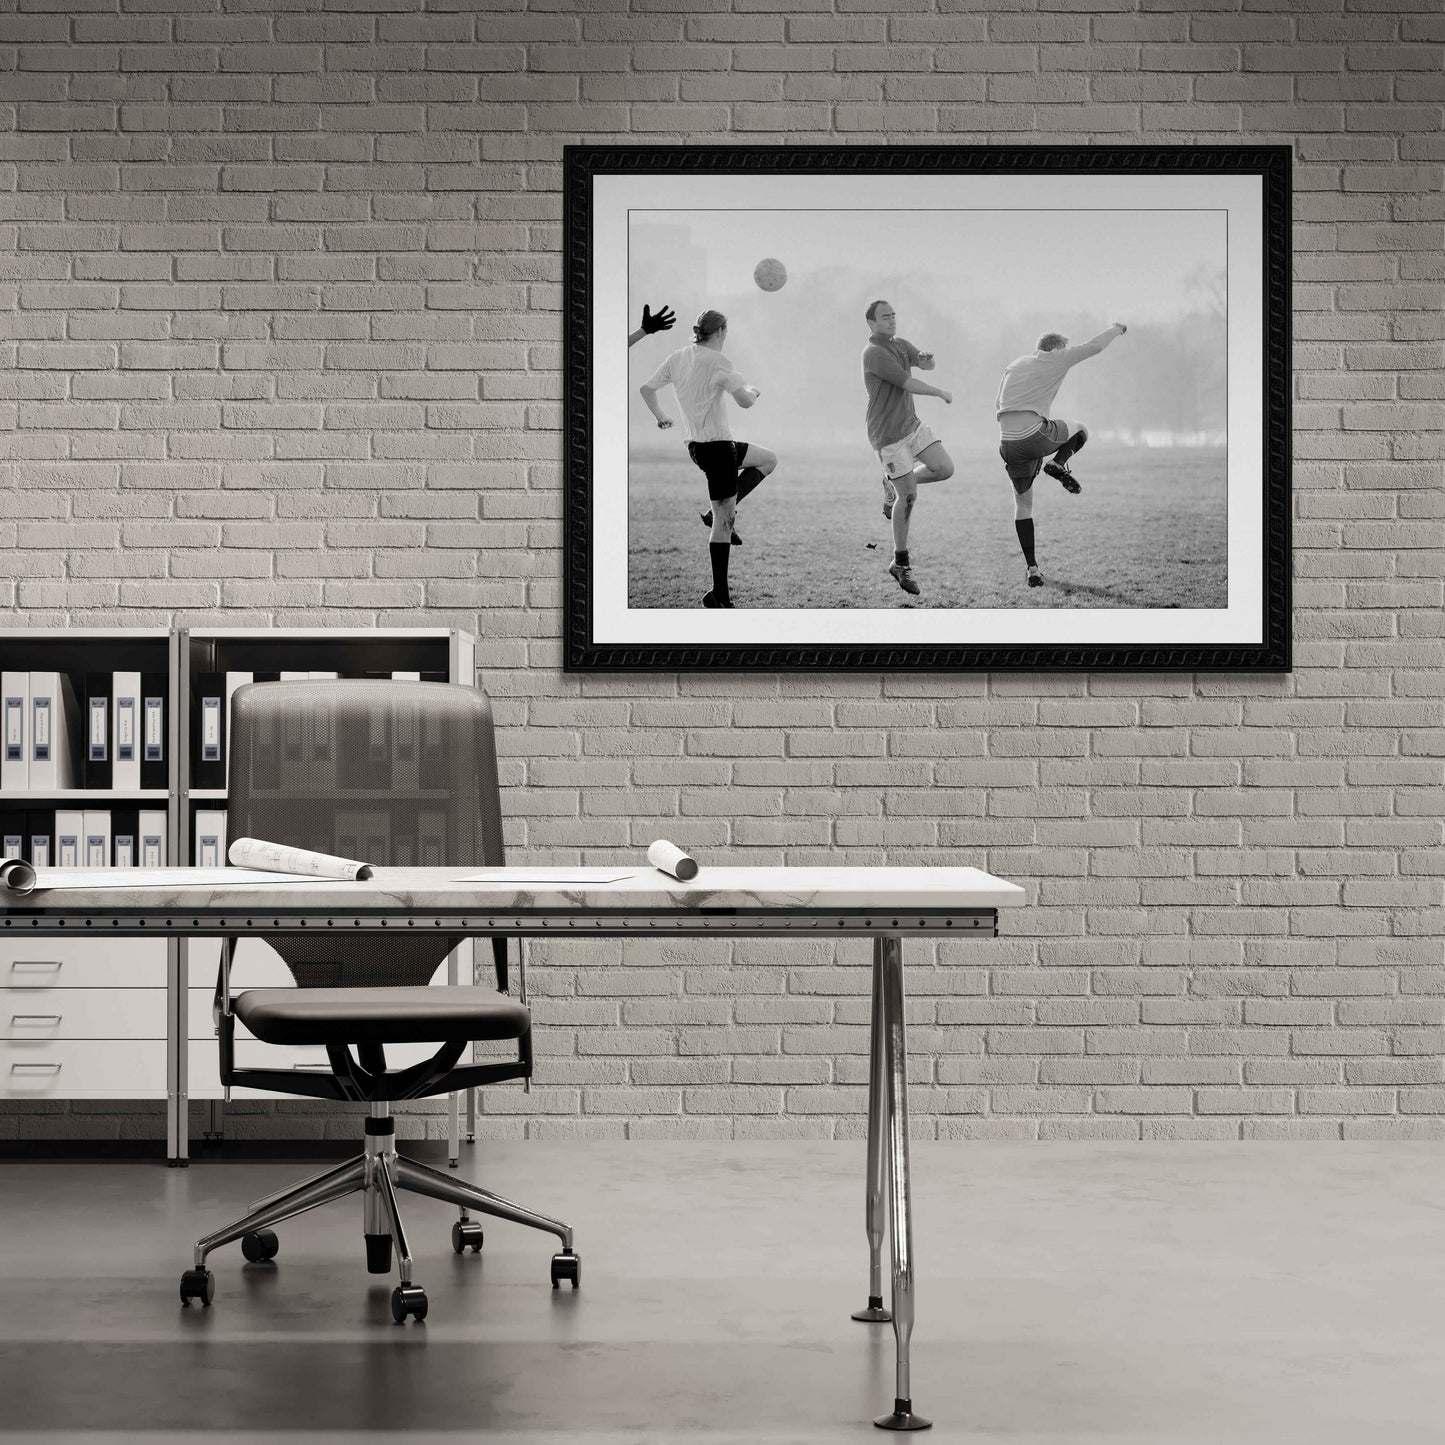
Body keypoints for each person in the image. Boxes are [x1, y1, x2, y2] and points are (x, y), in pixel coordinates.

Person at [639, 309, 778, 609]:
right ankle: (719, 596)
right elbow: (745, 401)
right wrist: (753, 389)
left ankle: (711, 516)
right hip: (718, 448)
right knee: (725, 522)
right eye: (726, 332)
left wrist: (662, 416)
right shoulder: (719, 361)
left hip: (699, 449)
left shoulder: (679, 357)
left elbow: (646, 389)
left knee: (768, 460)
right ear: (721, 331)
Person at [995, 323, 1127, 588]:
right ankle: (1057, 463)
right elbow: (1095, 346)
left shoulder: (1015, 364)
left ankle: (1032, 568)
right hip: (1034, 434)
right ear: (1056, 348)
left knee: (1023, 506)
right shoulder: (1057, 357)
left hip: (1007, 442)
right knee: (1080, 429)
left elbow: (998, 404)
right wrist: (1117, 329)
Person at [861, 300, 954, 598]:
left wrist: (927, 359)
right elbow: (908, 383)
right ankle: (900, 562)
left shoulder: (900, 344)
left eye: (893, 316)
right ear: (871, 323)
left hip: (911, 425)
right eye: (885, 317)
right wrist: (938, 391)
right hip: (887, 435)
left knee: (944, 468)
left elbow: (925, 364)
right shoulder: (873, 353)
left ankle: (893, 483)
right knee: (909, 495)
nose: (891, 321)